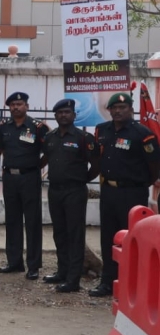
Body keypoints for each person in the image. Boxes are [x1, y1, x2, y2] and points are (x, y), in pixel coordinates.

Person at [89, 90, 160, 297]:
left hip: (132, 193)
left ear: (131, 109)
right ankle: (108, 282)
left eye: (123, 107)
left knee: (130, 238)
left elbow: (154, 165)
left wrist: (142, 183)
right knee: (108, 237)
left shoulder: (142, 134)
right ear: (109, 110)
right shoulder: (102, 130)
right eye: (114, 108)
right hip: (109, 191)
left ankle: (130, 283)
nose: (118, 111)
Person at [40, 99, 100, 293]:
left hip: (74, 191)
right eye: (59, 113)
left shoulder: (84, 138)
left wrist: (82, 179)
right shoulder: (50, 137)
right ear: (55, 116)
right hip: (55, 190)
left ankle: (73, 280)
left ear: (74, 115)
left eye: (67, 112)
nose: (63, 115)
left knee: (75, 234)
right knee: (59, 232)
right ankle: (62, 272)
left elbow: (96, 165)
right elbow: (46, 159)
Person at [0, 91, 49, 279]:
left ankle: (33, 265)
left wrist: (34, 168)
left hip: (29, 178)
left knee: (32, 221)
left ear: (27, 106)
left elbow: (48, 152)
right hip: (10, 178)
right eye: (13, 105)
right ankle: (14, 261)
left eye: (19, 104)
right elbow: (0, 149)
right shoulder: (4, 127)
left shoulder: (37, 127)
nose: (16, 107)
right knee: (12, 220)